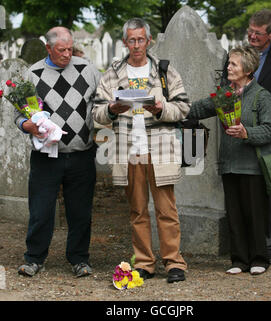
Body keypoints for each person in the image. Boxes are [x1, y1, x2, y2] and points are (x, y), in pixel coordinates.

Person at [93, 18, 189, 283]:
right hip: (128, 149)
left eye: (141, 39)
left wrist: (161, 109)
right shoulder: (113, 73)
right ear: (125, 42)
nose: (136, 45)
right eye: (131, 40)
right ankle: (145, 263)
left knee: (166, 210)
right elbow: (96, 114)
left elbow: (183, 106)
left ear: (149, 41)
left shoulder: (164, 70)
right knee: (137, 211)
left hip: (159, 148)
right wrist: (112, 109)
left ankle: (174, 263)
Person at [15, 26, 101, 277]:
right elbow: (19, 114)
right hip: (46, 157)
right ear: (48, 48)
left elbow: (102, 103)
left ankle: (79, 259)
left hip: (82, 153)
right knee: (41, 211)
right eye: (61, 50)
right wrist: (26, 125)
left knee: (81, 212)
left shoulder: (88, 69)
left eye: (70, 48)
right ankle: (34, 258)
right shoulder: (33, 74)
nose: (66, 54)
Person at [188, 45, 271, 275]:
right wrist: (173, 109)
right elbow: (200, 108)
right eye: (229, 63)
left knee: (254, 214)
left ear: (247, 69)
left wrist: (246, 133)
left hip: (253, 166)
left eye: (233, 64)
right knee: (235, 214)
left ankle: (259, 258)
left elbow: (270, 130)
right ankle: (239, 260)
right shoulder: (224, 94)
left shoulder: (262, 96)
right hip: (229, 164)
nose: (228, 67)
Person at [222, 9, 271, 265]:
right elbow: (225, 89)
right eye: (250, 31)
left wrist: (268, 127)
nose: (252, 36)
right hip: (238, 137)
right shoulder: (236, 56)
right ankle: (248, 247)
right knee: (246, 196)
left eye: (258, 33)